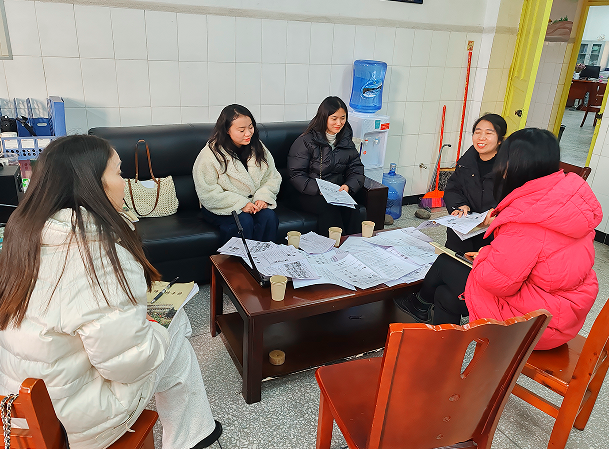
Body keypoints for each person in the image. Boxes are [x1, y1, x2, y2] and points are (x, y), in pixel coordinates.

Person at [0, 135, 222, 449]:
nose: (124, 183)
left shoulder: (23, 233)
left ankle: (197, 432)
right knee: (175, 331)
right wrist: (156, 329)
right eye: (119, 173)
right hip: (75, 424)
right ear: (93, 185)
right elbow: (128, 364)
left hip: (21, 409)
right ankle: (191, 437)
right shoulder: (97, 253)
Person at [397, 128, 602, 350]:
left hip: (536, 322)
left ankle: (419, 303)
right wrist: (490, 254)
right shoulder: (564, 199)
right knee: (446, 295)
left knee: (447, 263)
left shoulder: (526, 219)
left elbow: (497, 283)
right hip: (564, 311)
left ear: (516, 166)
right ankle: (441, 355)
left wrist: (485, 255)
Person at [193, 104, 281, 245]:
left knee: (268, 216)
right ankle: (236, 259)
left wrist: (263, 198)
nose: (248, 133)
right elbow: (207, 191)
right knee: (243, 221)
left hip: (253, 204)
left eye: (251, 127)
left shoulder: (258, 147)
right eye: (241, 130)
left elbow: (272, 177)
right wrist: (240, 204)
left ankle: (264, 257)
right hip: (221, 206)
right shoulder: (210, 154)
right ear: (227, 130)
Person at [287, 96, 365, 235]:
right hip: (306, 193)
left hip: (335, 192)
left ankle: (353, 244)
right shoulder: (306, 140)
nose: (339, 123)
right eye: (334, 118)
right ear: (324, 118)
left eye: (343, 118)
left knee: (353, 208)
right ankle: (333, 245)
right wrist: (319, 189)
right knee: (329, 207)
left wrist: (348, 186)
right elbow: (296, 174)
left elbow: (356, 169)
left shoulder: (346, 140)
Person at [443, 113, 507, 253]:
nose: (481, 137)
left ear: (500, 140)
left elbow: (517, 201)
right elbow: (453, 189)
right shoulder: (466, 162)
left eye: (489, 133)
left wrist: (498, 214)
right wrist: (460, 204)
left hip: (492, 236)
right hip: (462, 232)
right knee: (454, 260)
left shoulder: (508, 168)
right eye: (477, 132)